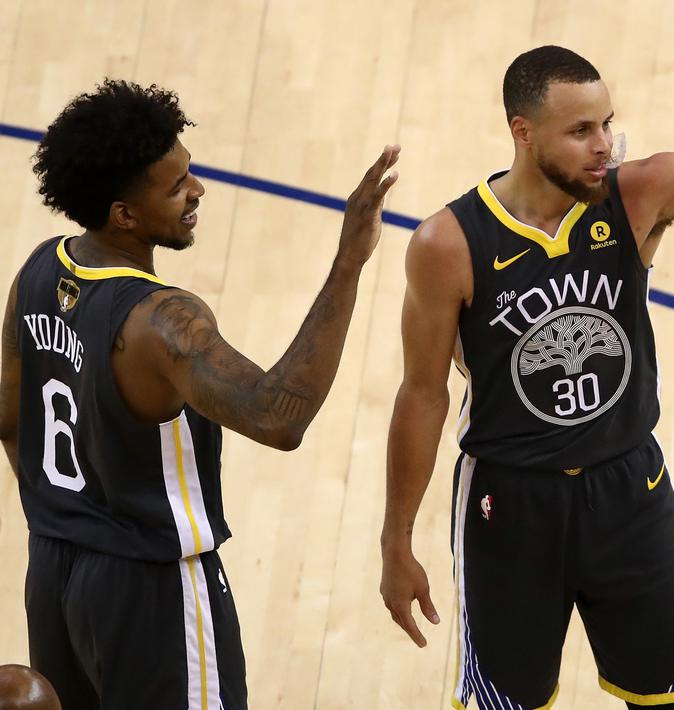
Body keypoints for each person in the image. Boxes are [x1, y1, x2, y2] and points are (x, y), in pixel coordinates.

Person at [379, 9, 674, 709]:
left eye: (607, 123)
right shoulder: (448, 243)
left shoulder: (637, 194)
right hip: (511, 500)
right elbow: (422, 394)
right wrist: (395, 540)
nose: (603, 144)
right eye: (581, 130)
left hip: (628, 490)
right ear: (522, 134)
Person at [0, 79, 399, 709]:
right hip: (150, 587)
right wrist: (348, 262)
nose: (198, 192)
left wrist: (71, 516)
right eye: (176, 186)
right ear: (123, 215)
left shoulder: (39, 270)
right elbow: (278, 416)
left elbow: (9, 416)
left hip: (54, 570)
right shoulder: (161, 321)